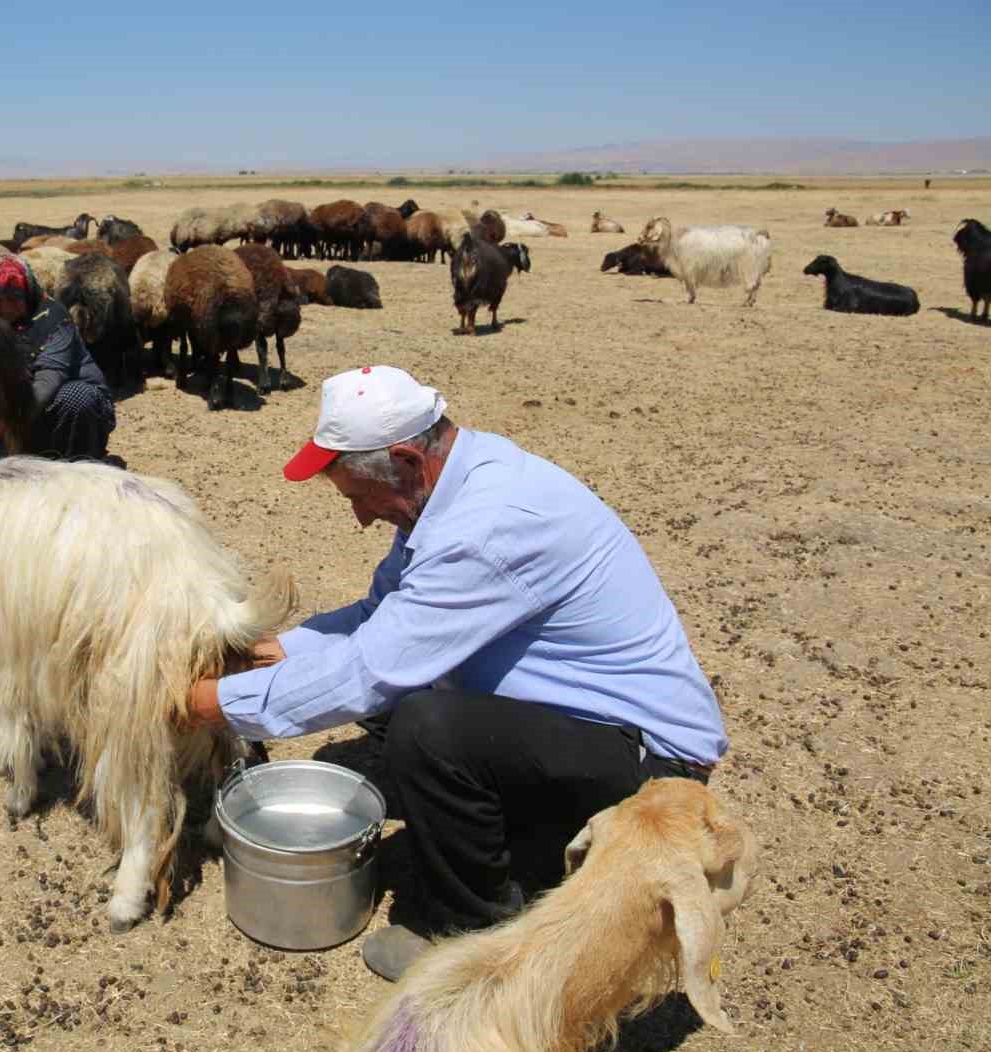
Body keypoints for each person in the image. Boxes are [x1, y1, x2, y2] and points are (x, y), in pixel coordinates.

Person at [182, 365, 728, 981]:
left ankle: (471, 932)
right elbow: (382, 615)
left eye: (360, 497)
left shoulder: (485, 528)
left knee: (424, 724)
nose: (361, 518)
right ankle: (511, 829)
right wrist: (279, 649)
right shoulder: (454, 481)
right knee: (399, 696)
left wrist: (209, 703)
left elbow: (371, 670)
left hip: (650, 766)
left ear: (407, 459)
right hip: (577, 719)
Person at [0, 254, 117, 462]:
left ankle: (79, 461)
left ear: (27, 293)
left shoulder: (53, 319)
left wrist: (10, 422)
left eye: (12, 299)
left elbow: (49, 377)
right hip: (17, 412)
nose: (5, 307)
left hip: (62, 408)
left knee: (76, 396)